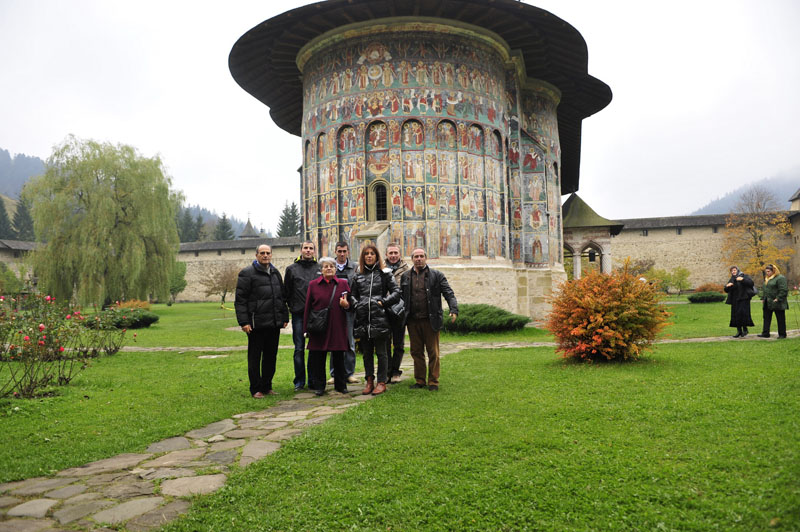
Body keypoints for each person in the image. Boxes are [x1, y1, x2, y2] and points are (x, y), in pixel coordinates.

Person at [234, 244, 289, 398]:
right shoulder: (247, 273)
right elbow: (240, 300)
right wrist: (244, 322)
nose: (265, 255)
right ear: (256, 255)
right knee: (255, 357)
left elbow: (281, 297)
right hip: (255, 324)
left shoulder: (275, 272)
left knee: (271, 356)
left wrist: (284, 316)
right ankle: (256, 388)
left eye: (268, 253)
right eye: (262, 253)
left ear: (271, 255)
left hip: (273, 323)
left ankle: (267, 386)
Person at [400, 247, 458, 391]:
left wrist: (453, 309)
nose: (418, 259)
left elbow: (448, 293)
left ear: (426, 258)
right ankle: (420, 380)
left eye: (421, 256)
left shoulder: (437, 275)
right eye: (416, 256)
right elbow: (401, 297)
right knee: (416, 352)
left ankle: (433, 381)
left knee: (433, 352)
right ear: (412, 259)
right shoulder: (405, 276)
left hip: (430, 320)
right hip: (413, 321)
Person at [349, 244, 400, 395]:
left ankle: (382, 381)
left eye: (372, 254)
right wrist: (357, 304)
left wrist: (383, 302)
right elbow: (352, 294)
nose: (369, 256)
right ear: (363, 257)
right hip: (363, 318)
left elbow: (396, 292)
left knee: (382, 352)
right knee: (367, 353)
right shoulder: (357, 275)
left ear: (377, 256)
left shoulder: (385, 273)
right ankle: (369, 381)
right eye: (366, 254)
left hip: (380, 318)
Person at [304, 257, 352, 396]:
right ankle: (320, 386)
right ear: (321, 270)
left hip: (337, 325)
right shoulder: (313, 285)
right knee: (318, 358)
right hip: (319, 326)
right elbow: (308, 307)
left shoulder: (343, 284)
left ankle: (341, 385)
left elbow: (350, 305)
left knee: (338, 357)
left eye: (332, 266)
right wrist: (306, 329)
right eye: (326, 266)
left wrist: (346, 305)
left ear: (336, 269)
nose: (329, 268)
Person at [284, 241, 321, 391]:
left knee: (314, 348)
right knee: (299, 348)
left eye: (311, 248)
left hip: (316, 315)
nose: (308, 250)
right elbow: (286, 292)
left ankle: (313, 380)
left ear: (314, 251)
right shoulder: (292, 269)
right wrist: (291, 308)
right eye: (305, 248)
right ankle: (299, 381)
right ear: (301, 250)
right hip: (299, 314)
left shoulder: (319, 268)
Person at [327, 241, 360, 385]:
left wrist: (352, 303)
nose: (341, 254)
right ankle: (334, 374)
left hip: (349, 309)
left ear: (348, 252)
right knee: (334, 342)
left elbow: (358, 287)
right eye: (339, 251)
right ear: (335, 251)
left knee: (349, 342)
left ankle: (349, 373)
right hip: (332, 310)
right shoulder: (329, 266)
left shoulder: (355, 268)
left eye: (344, 251)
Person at [385, 242, 410, 383]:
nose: (393, 256)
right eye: (391, 253)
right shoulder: (380, 268)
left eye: (396, 253)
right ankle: (387, 371)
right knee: (385, 344)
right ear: (386, 254)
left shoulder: (407, 270)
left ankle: (396, 371)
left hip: (400, 311)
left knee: (399, 343)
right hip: (385, 311)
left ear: (400, 254)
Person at [758, 264, 789, 339]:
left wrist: (778, 298)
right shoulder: (767, 278)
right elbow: (764, 289)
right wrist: (762, 298)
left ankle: (782, 334)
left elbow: (784, 289)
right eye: (766, 271)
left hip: (777, 302)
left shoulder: (780, 278)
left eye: (768, 271)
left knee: (780, 318)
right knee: (766, 318)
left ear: (773, 271)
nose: (767, 273)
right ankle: (765, 333)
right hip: (767, 302)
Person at [724, 265, 755, 338]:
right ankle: (739, 331)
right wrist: (727, 286)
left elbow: (751, 283)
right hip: (735, 300)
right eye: (732, 271)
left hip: (744, 299)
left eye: (734, 270)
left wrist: (742, 280)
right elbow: (726, 290)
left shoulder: (744, 276)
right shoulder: (732, 279)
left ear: (738, 270)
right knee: (736, 316)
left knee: (743, 314)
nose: (733, 272)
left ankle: (745, 329)